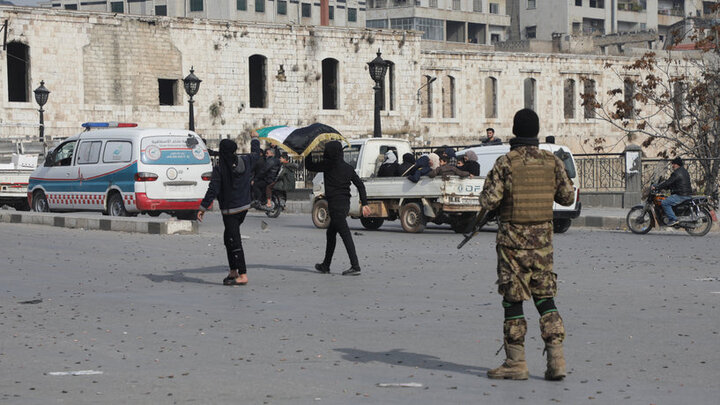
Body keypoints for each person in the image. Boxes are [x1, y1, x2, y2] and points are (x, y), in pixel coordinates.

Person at [479, 109, 575, 381]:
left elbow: (488, 201)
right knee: (545, 298)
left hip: (512, 245)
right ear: (536, 132)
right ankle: (556, 359)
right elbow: (567, 198)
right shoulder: (552, 161)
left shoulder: (506, 162)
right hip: (543, 244)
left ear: (515, 130)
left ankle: (516, 363)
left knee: (513, 300)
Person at [197, 135, 261, 286]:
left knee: (234, 239)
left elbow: (213, 189)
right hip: (244, 207)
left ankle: (243, 274)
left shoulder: (220, 169)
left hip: (230, 210)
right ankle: (233, 271)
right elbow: (256, 154)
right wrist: (255, 140)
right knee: (228, 238)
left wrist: (202, 207)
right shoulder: (245, 161)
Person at [305, 141, 371, 276]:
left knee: (345, 234)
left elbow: (309, 165)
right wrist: (364, 203)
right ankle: (326, 265)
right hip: (345, 204)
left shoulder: (328, 165)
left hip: (335, 205)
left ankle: (355, 266)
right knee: (331, 234)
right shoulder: (347, 167)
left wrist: (309, 150)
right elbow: (360, 185)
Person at [654, 157, 692, 226]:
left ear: (677, 164)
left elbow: (668, 182)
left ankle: (673, 219)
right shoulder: (684, 171)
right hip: (685, 193)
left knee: (665, 202)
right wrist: (665, 187)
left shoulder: (677, 173)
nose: (672, 166)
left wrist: (657, 187)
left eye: (673, 164)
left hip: (681, 195)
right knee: (668, 199)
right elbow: (673, 183)